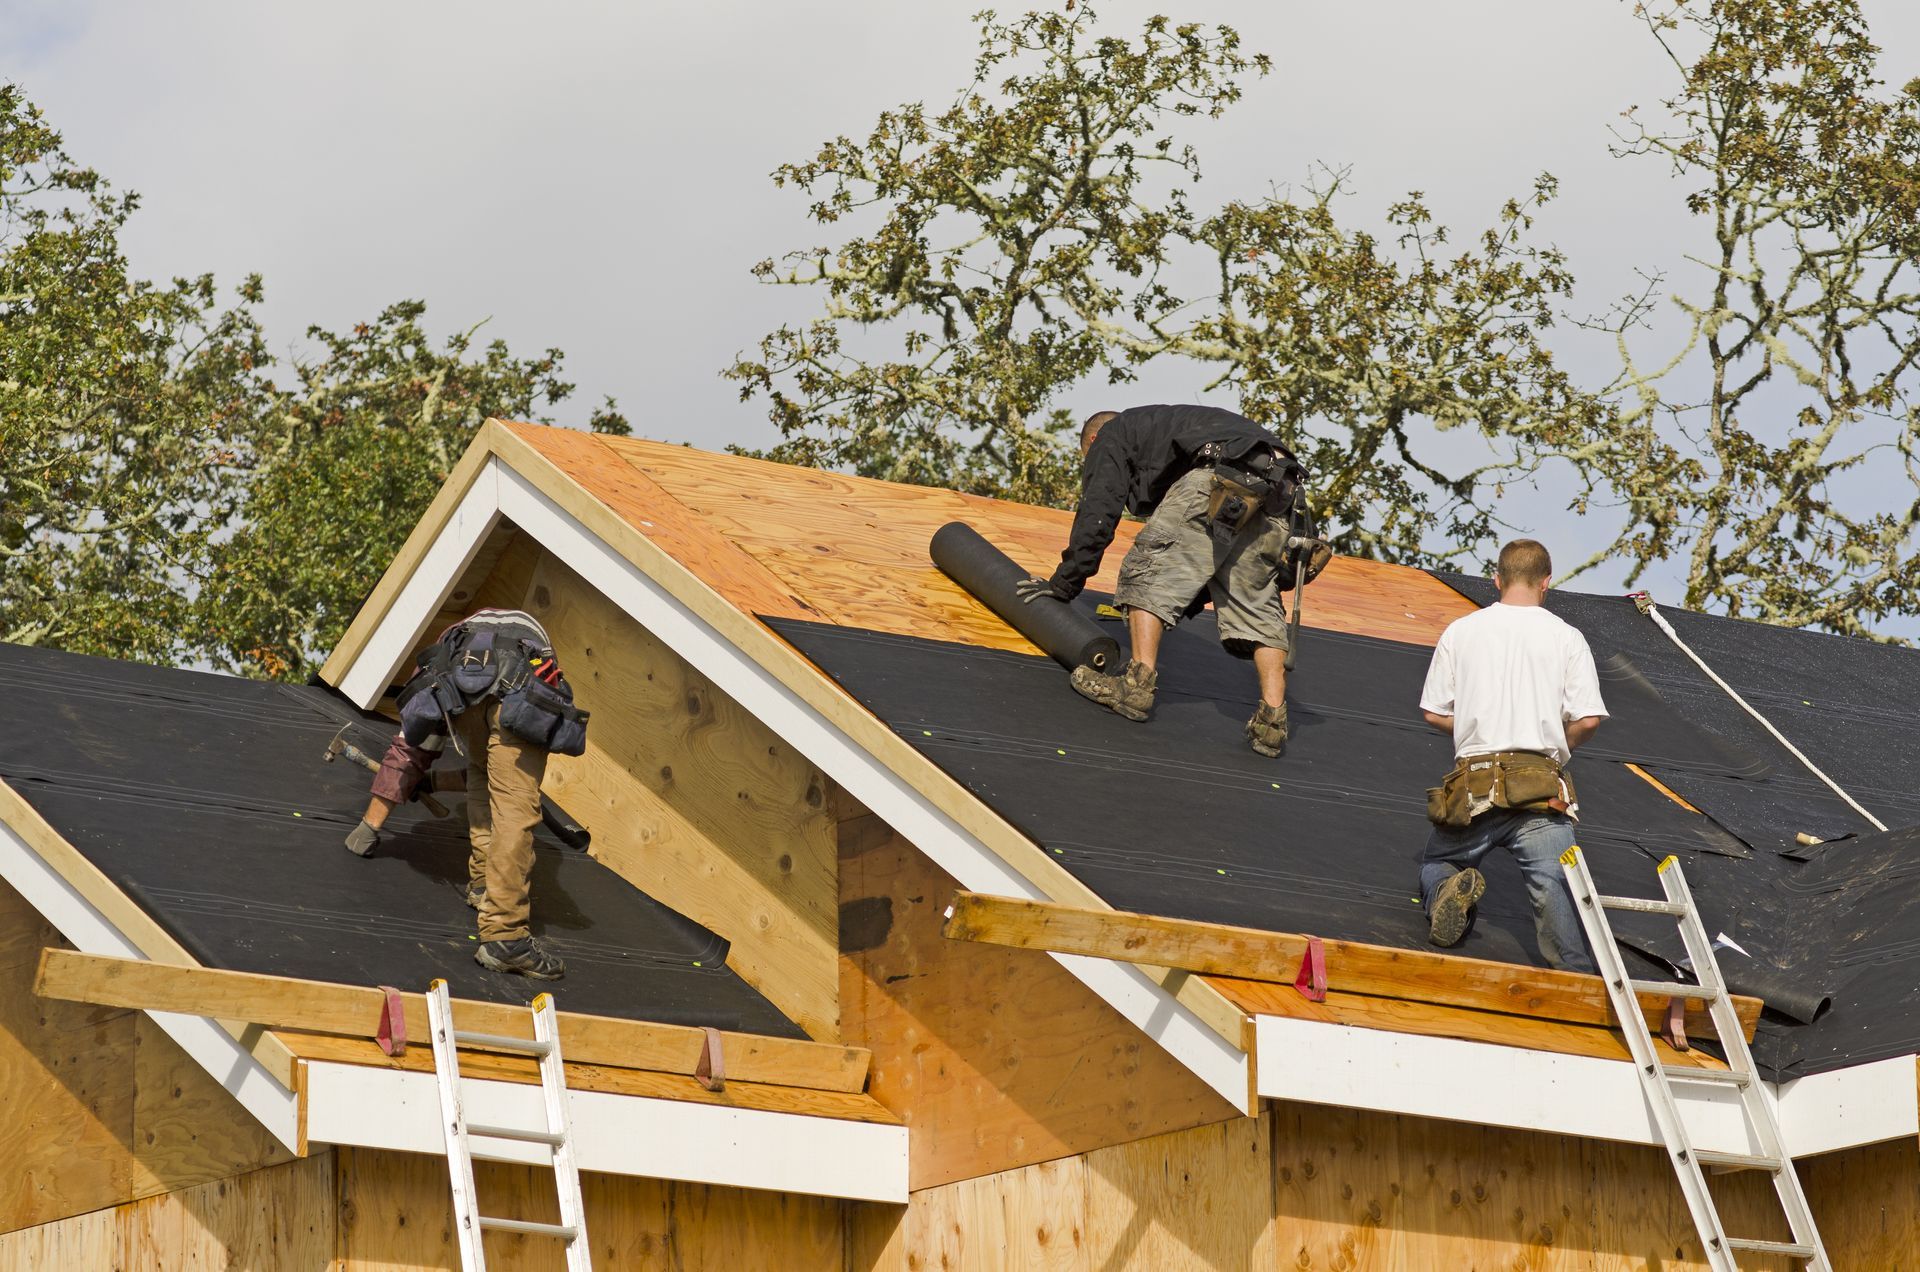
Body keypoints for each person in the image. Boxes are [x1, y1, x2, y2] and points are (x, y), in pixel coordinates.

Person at [1015, 404, 1329, 757]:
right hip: (1283, 497)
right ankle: (1272, 723)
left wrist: (1064, 584)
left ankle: (1136, 686)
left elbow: (1099, 511)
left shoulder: (1112, 434)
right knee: (1257, 603)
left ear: (1092, 439)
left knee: (1148, 569)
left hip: (1225, 476)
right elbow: (1202, 558)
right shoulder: (1178, 427)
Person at [344, 608, 588, 980]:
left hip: (473, 694)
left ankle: (481, 884)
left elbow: (409, 750)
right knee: (514, 809)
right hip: (519, 693)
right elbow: (504, 783)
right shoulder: (529, 647)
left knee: (480, 776)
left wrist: (369, 826)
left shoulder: (451, 654)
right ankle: (505, 935)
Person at [1417, 540, 1606, 973]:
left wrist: (1472, 729)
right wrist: (1559, 746)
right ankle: (1573, 974)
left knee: (1438, 860)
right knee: (1554, 885)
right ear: (1547, 583)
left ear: (1496, 579)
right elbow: (1589, 720)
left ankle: (1448, 888)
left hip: (1475, 782)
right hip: (1539, 782)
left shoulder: (1461, 631)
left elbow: (1433, 711)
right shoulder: (1566, 637)